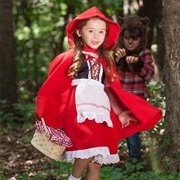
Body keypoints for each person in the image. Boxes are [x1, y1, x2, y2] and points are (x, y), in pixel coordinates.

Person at [35, 7, 162, 180]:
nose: (96, 36)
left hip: (101, 111)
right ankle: (74, 178)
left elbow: (109, 89)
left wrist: (120, 113)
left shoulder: (105, 59)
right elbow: (55, 86)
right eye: (91, 31)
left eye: (101, 32)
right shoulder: (72, 56)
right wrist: (49, 115)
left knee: (95, 164)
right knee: (89, 147)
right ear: (79, 32)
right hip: (80, 111)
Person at [115, 15, 154, 160]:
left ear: (141, 38)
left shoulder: (145, 54)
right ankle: (110, 158)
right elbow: (110, 76)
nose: (130, 41)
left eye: (135, 38)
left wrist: (138, 65)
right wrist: (116, 61)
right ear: (122, 37)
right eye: (127, 37)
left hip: (136, 100)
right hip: (119, 100)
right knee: (118, 129)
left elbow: (149, 75)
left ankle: (135, 160)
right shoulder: (119, 53)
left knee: (132, 131)